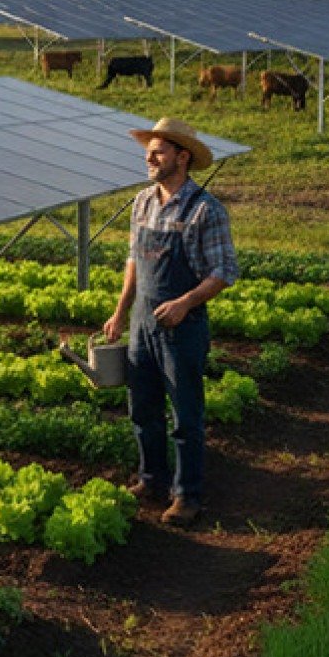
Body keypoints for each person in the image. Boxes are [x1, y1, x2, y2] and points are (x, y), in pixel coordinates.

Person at [102, 117, 238, 528]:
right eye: (149, 151)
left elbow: (224, 271)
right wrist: (121, 310)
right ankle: (151, 479)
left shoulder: (206, 210)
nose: (149, 157)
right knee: (142, 408)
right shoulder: (143, 201)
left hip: (183, 325)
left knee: (185, 414)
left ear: (182, 157)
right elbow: (133, 262)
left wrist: (186, 301)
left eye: (158, 151)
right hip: (142, 322)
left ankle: (187, 495)